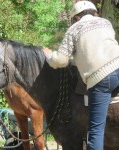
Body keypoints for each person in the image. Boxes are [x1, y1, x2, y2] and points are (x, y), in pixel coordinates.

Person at [43, 1, 119, 150]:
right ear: (94, 13)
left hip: (101, 77)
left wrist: (48, 55)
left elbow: (61, 60)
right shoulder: (106, 23)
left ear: (76, 17)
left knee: (95, 132)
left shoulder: (73, 30)